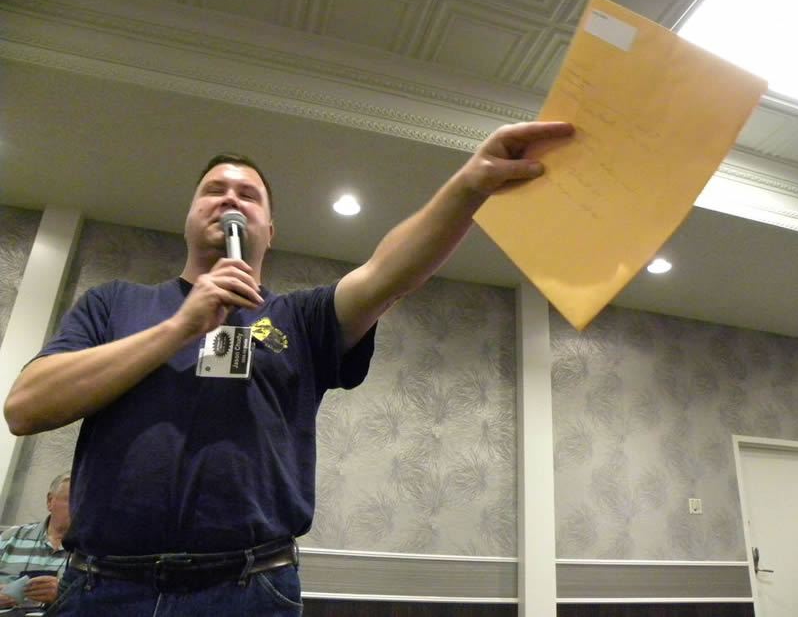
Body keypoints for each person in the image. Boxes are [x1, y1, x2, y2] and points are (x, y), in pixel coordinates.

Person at [3, 121, 575, 616]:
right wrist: (180, 326)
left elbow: (389, 273)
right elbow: (25, 408)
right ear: (189, 216)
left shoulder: (300, 318)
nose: (230, 200)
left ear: (270, 231)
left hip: (248, 589)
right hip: (102, 587)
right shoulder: (113, 304)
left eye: (248, 195)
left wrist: (471, 184)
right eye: (214, 190)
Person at [0, 472, 71, 613]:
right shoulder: (11, 538)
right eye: (72, 500)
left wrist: (63, 594)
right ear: (50, 501)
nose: (79, 508)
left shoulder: (94, 551)